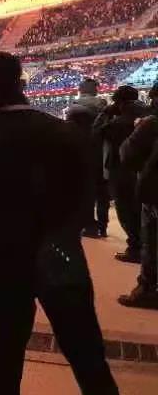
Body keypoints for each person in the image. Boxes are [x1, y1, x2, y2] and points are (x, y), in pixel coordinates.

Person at [0, 52, 118, 395]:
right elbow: (86, 194)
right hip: (60, 251)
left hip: (3, 255)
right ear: (21, 84)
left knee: (3, 359)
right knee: (86, 354)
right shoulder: (63, 133)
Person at [93, 85, 149, 263]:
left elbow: (96, 132)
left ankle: (135, 249)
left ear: (120, 102)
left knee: (127, 213)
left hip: (122, 172)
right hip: (144, 171)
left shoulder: (119, 122)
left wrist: (105, 112)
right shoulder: (148, 115)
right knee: (142, 213)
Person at [118, 88, 158, 310]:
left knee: (152, 243)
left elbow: (127, 154)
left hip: (154, 192)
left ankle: (147, 290)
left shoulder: (150, 123)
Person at [65, 78, 109, 238]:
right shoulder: (104, 107)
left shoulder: (72, 109)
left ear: (81, 90)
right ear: (95, 90)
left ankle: (90, 226)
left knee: (86, 193)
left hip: (81, 156)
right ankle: (103, 227)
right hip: (102, 154)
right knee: (102, 193)